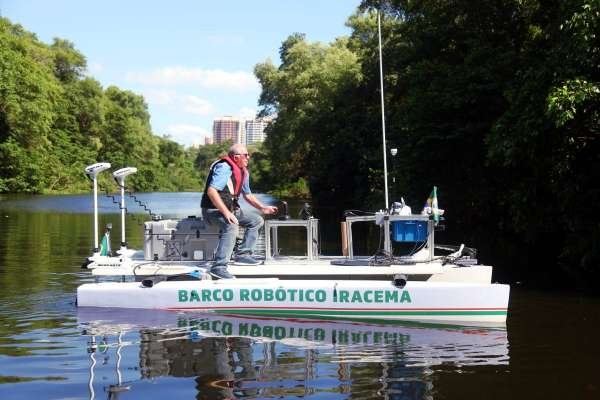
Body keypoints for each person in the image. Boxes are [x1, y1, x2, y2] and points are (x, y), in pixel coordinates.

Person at [201, 143, 277, 279]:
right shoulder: (224, 167)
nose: (248, 158)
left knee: (256, 220)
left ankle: (243, 255)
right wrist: (226, 213)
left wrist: (262, 208)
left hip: (231, 210)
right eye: (246, 155)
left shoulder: (243, 171)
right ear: (236, 157)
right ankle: (218, 267)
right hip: (212, 211)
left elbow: (247, 195)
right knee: (231, 225)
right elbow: (211, 192)